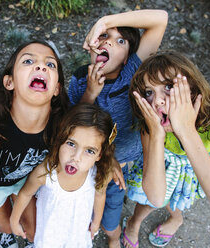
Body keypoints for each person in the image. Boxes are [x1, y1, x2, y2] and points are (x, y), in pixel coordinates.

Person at [68, 9, 168, 248]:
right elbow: (72, 125)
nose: (109, 42)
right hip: (94, 161)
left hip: (131, 156)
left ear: (126, 57)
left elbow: (160, 19)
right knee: (89, 200)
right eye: (103, 36)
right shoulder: (81, 79)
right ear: (92, 45)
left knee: (114, 204)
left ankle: (113, 236)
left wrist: (105, 21)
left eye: (120, 41)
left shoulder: (132, 70)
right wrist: (90, 94)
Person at [124, 51, 210, 248]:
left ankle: (176, 218)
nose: (157, 101)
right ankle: (134, 223)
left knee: (178, 197)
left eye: (169, 87)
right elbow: (155, 196)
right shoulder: (153, 120)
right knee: (148, 202)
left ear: (194, 89)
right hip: (164, 164)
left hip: (195, 166)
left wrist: (186, 130)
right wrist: (156, 135)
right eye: (149, 92)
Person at [0, 40, 70, 248]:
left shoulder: (62, 122)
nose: (41, 66)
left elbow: (90, 132)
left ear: (56, 89)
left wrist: (109, 157)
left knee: (33, 231)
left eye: (50, 64)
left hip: (26, 181)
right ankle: (2, 233)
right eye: (28, 61)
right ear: (9, 82)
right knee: (5, 226)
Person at [10, 103, 117, 248]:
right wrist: (14, 220)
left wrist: (96, 222)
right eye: (71, 144)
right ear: (60, 140)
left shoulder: (98, 174)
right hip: (49, 234)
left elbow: (100, 195)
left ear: (99, 155)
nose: (76, 157)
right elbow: (25, 194)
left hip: (78, 233)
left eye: (89, 151)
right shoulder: (46, 172)